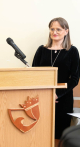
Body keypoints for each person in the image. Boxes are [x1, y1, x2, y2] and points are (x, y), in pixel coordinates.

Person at [32, 17, 79, 147]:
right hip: (41, 98)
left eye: (58, 29)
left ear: (66, 31)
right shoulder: (41, 50)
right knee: (40, 133)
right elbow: (33, 75)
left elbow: (74, 79)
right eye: (52, 29)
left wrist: (57, 94)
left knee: (59, 135)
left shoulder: (72, 51)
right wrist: (45, 95)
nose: (54, 32)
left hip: (63, 99)